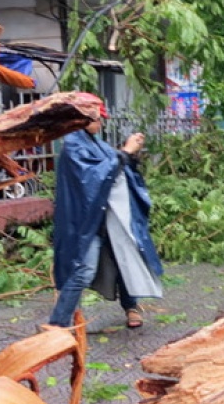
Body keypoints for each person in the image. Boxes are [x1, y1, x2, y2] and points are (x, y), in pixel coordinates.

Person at [48, 94, 163, 329]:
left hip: (107, 217)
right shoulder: (73, 144)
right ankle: (57, 325)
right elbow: (96, 176)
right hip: (87, 223)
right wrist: (125, 152)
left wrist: (129, 155)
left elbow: (115, 167)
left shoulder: (92, 142)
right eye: (98, 118)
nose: (101, 123)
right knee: (82, 270)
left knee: (124, 259)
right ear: (82, 117)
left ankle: (131, 307)